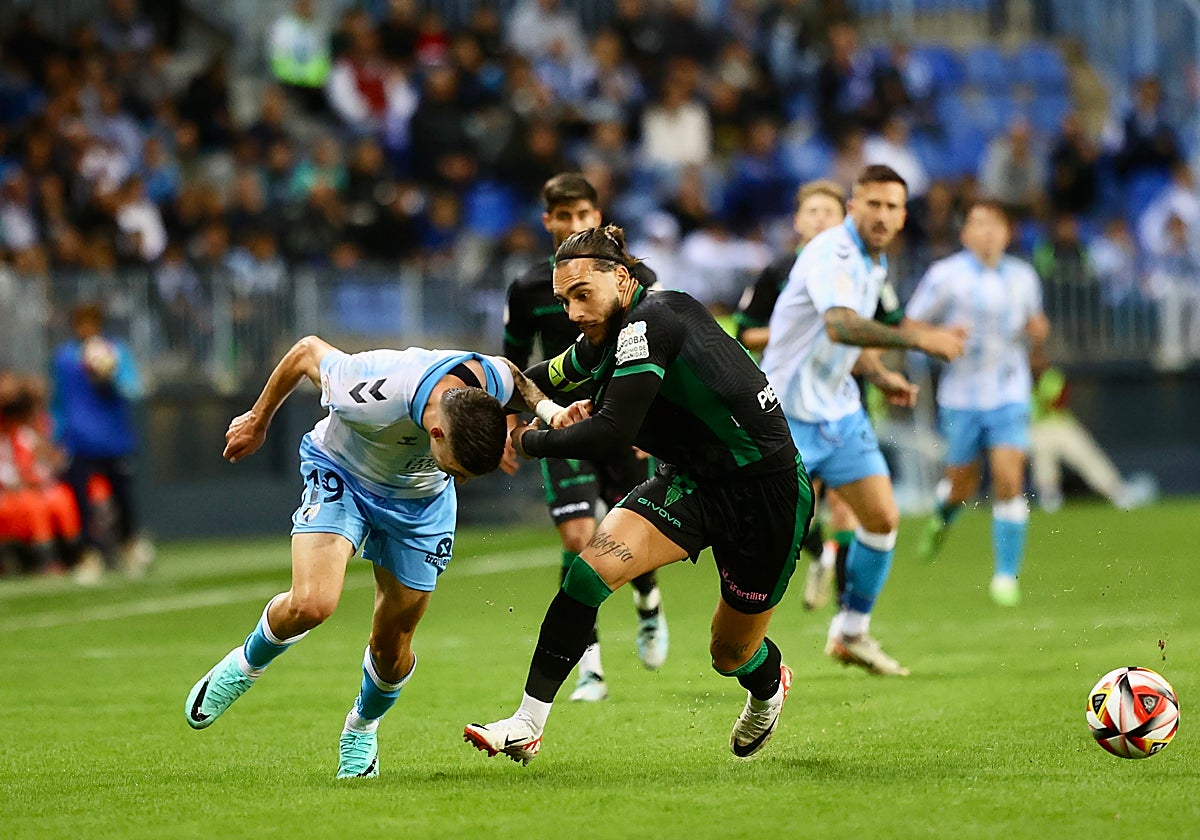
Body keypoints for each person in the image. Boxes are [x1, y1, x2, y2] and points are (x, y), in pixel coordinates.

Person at [465, 224, 813, 764]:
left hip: (765, 493)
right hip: (693, 483)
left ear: (622, 279)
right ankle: (527, 723)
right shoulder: (602, 339)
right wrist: (476, 397)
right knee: (587, 574)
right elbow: (543, 378)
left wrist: (529, 441)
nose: (574, 312)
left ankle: (768, 687)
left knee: (729, 652)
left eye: (584, 295)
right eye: (564, 301)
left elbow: (611, 434)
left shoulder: (653, 321)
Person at [183, 334, 566, 779]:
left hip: (420, 506)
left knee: (392, 646)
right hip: (344, 476)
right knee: (312, 603)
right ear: (436, 433)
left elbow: (514, 377)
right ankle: (244, 666)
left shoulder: (485, 380)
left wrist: (550, 412)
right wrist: (257, 418)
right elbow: (306, 351)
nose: (458, 479)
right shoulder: (376, 389)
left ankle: (361, 728)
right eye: (456, 470)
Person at [759, 164, 966, 676]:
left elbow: (853, 335)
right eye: (872, 203)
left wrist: (878, 375)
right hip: (785, 415)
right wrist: (922, 340)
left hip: (839, 409)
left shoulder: (874, 264)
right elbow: (841, 324)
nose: (882, 215)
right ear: (854, 207)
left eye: (892, 207)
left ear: (902, 217)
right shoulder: (835, 251)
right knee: (769, 544)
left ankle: (850, 633)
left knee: (882, 519)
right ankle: (746, 658)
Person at [502, 173, 667, 702]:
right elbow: (513, 361)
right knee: (578, 538)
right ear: (547, 220)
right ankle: (590, 667)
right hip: (562, 420)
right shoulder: (528, 289)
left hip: (622, 419)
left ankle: (648, 603)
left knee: (628, 531)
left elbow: (659, 353)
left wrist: (651, 421)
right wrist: (513, 424)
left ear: (598, 216)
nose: (575, 224)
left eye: (584, 215)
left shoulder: (634, 280)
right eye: (564, 216)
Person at [907, 198, 1049, 606]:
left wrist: (1038, 333)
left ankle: (1006, 576)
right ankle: (943, 513)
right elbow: (911, 325)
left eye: (994, 224)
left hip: (1009, 389)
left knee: (1009, 479)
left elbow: (1033, 328)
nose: (986, 232)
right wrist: (940, 336)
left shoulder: (1024, 277)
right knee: (961, 484)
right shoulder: (945, 276)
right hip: (961, 394)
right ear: (965, 234)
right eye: (977, 224)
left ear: (1007, 233)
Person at [734, 179, 860, 612]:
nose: (822, 219)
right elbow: (743, 330)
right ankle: (819, 554)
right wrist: (793, 327)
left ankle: (846, 611)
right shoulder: (779, 270)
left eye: (830, 211)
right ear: (797, 221)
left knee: (846, 500)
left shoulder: (856, 269)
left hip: (837, 396)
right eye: (813, 211)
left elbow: (885, 321)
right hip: (786, 398)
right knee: (794, 502)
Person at [49, 303, 150, 584]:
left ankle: (129, 547)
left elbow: (133, 388)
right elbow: (59, 400)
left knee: (122, 499)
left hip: (113, 439)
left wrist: (111, 375)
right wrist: (57, 437)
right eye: (81, 323)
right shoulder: (65, 358)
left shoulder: (116, 352)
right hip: (79, 441)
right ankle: (89, 557)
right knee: (81, 502)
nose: (86, 329)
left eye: (91, 322)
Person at [1028, 349, 1156, 513]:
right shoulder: (1018, 380)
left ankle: (1116, 492)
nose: (1037, 363)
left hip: (1060, 423)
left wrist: (1039, 388)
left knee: (1087, 455)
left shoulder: (1052, 375)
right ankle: (1049, 497)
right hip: (1034, 427)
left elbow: (1059, 401)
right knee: (1042, 455)